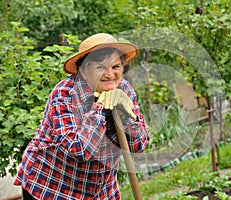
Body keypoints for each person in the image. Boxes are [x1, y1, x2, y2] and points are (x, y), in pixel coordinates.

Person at [14, 33, 150, 199]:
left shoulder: (124, 89)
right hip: (52, 186)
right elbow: (80, 150)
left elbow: (139, 144)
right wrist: (100, 106)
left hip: (99, 187)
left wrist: (127, 115)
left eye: (115, 67)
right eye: (100, 67)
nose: (110, 74)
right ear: (84, 71)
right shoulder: (65, 95)